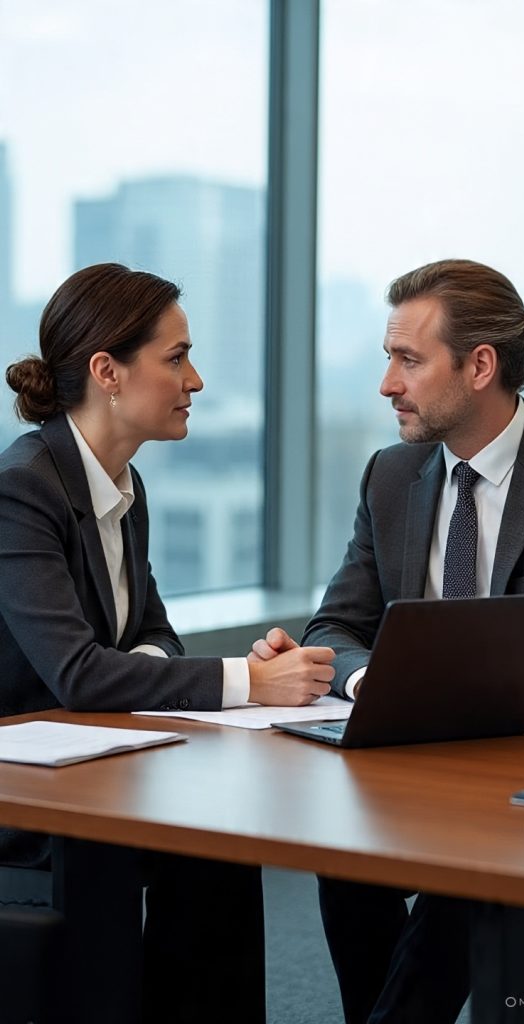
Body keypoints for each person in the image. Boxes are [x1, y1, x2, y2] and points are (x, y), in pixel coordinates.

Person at [0, 262, 336, 1024]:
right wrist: (254, 684)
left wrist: (164, 672)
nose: (197, 379)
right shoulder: (23, 488)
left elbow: (149, 633)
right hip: (28, 801)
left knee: (217, 849)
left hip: (96, 769)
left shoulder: (122, 482)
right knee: (124, 859)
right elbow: (80, 674)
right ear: (107, 371)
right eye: (177, 358)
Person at [251, 258, 524, 1023]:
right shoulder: (391, 477)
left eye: (408, 360)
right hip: (410, 768)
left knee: (468, 869)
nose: (387, 384)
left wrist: (481, 690)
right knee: (344, 855)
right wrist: (375, 683)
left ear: (480, 366)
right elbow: (337, 626)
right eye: (387, 360)